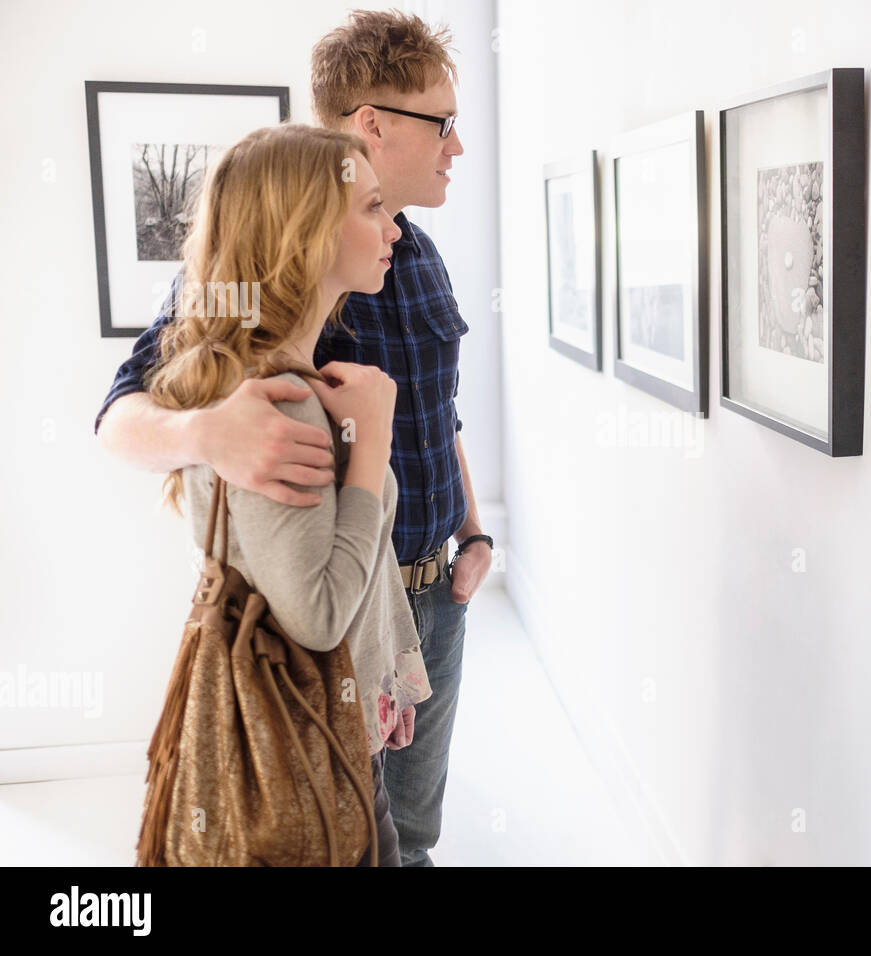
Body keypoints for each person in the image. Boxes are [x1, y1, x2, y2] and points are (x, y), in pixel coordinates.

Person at [94, 10, 488, 866]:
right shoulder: (264, 279)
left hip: (428, 597)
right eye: (443, 122)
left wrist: (472, 530)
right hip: (333, 618)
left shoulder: (413, 253)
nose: (457, 145)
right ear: (373, 124)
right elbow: (119, 418)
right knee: (336, 831)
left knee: (406, 838)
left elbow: (438, 409)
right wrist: (208, 431)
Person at [145, 122, 428, 866]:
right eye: (371, 208)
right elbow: (318, 614)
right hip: (315, 748)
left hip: (338, 728)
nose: (393, 228)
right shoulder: (276, 403)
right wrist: (372, 444)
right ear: (305, 233)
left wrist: (389, 675)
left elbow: (342, 567)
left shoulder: (286, 379)